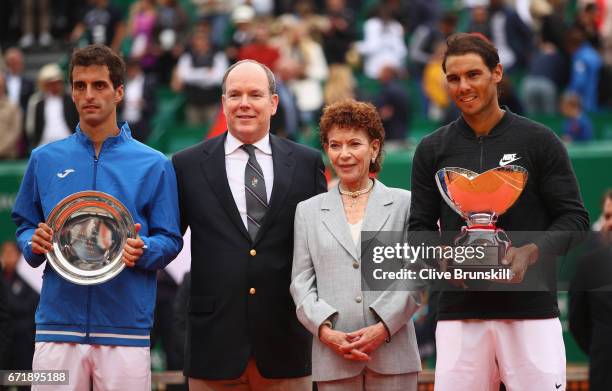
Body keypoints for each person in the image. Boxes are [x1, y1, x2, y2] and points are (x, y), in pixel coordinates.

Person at [408, 33, 589, 390]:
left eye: (473, 74)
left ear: (497, 73)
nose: (463, 86)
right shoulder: (432, 149)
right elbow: (419, 229)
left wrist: (530, 251)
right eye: (454, 78)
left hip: (530, 313)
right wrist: (442, 258)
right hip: (460, 315)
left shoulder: (539, 141)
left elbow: (575, 220)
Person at [11, 44, 183, 390]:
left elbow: (170, 237)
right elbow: (24, 224)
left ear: (119, 91)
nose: (89, 95)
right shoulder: (43, 159)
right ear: (71, 92)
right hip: (56, 326)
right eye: (80, 85)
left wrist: (144, 249)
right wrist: (33, 241)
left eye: (99, 85)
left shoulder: (154, 163)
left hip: (125, 329)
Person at [172, 59, 327, 391]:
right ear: (223, 103)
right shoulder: (185, 165)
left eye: (255, 94)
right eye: (235, 94)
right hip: (212, 347)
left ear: (273, 103)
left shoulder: (306, 163)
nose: (244, 103)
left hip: (286, 343)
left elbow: (322, 245)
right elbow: (168, 239)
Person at [290, 99, 421, 391]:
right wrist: (326, 332)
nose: (344, 154)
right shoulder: (307, 211)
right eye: (335, 145)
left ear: (374, 148)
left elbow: (416, 275)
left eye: (354, 144)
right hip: (333, 359)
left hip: (394, 357)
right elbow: (300, 282)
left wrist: (382, 327)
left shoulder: (404, 204)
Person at [569, 190, 612, 391]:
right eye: (608, 216)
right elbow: (578, 321)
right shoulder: (589, 264)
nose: (609, 223)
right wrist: (601, 349)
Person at [1, 240, 39, 372]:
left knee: (23, 381)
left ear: (18, 256)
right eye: (6, 253)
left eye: (12, 253)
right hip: (3, 346)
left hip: (23, 346)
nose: (9, 256)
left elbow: (33, 306)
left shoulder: (27, 283)